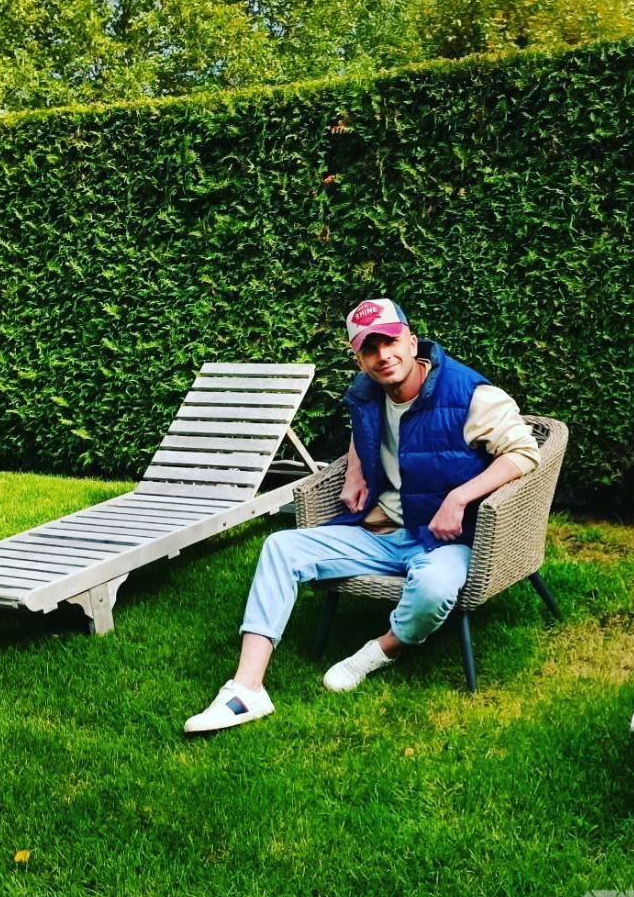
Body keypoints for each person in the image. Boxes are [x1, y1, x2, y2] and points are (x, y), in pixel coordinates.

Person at [183, 298, 540, 734]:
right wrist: (354, 469)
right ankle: (247, 688)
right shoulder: (368, 390)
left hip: (444, 538)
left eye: (390, 341)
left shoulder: (470, 395)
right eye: (369, 348)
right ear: (359, 359)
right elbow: (365, 429)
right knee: (281, 547)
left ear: (412, 342)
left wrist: (459, 498)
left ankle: (381, 650)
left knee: (433, 588)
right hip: (380, 529)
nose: (383, 355)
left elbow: (525, 452)